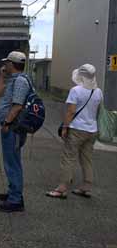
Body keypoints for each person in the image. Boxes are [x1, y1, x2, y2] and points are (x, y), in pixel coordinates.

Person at [46, 64, 103, 199]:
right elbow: (97, 111)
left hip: (77, 129)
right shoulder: (98, 92)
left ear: (81, 76)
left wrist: (65, 127)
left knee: (68, 158)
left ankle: (62, 189)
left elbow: (71, 111)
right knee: (87, 159)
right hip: (92, 130)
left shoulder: (76, 90)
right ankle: (86, 187)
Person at [0, 51, 31, 213]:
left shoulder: (21, 82)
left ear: (12, 64)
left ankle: (16, 200)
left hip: (13, 128)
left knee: (12, 163)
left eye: (7, 63)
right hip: (11, 127)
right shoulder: (14, 80)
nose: (5, 66)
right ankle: (12, 193)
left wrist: (7, 122)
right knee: (10, 161)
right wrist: (2, 76)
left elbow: (17, 106)